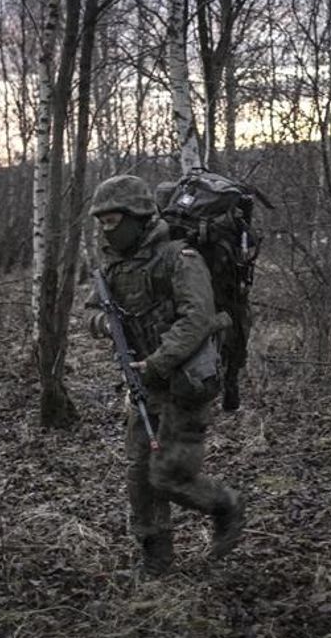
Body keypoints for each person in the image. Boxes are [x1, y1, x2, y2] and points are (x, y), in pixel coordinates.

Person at [86, 174, 245, 576]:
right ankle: (156, 562)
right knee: (140, 473)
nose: (107, 229)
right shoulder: (114, 265)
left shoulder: (181, 258)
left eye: (113, 220)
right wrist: (106, 324)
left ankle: (225, 505)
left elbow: (198, 319)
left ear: (138, 216)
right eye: (101, 221)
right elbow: (92, 312)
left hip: (187, 381)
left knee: (170, 475)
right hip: (143, 382)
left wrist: (157, 362)